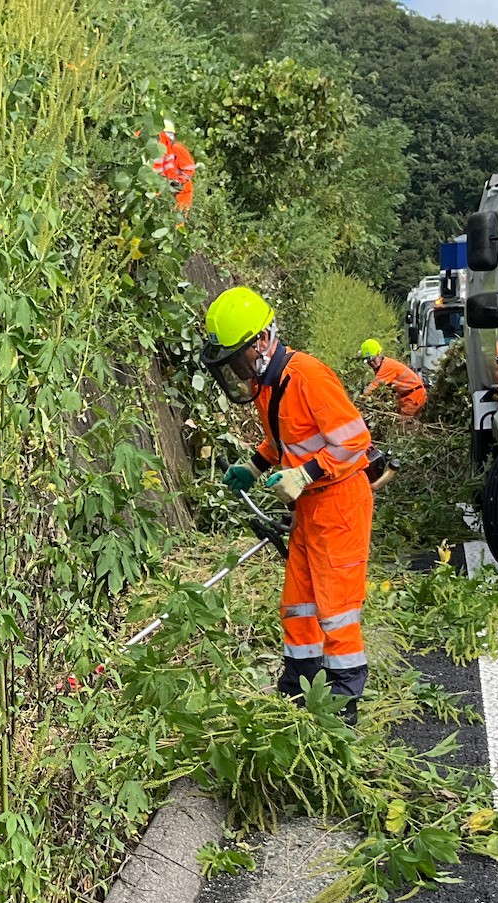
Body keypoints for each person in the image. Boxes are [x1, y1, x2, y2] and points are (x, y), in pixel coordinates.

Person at [202, 287, 373, 723]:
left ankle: (340, 703)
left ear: (262, 340)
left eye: (238, 360)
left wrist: (305, 475)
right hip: (310, 509)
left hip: (340, 504)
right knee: (298, 604)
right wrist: (255, 467)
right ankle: (300, 686)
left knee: (335, 611)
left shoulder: (309, 377)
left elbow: (355, 442)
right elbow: (285, 440)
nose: (238, 372)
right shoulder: (268, 386)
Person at [359, 339, 427, 418]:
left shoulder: (386, 367)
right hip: (409, 395)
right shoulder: (381, 365)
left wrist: (361, 399)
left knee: (403, 423)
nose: (372, 363)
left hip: (414, 396)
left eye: (373, 360)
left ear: (379, 354)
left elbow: (373, 387)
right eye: (369, 361)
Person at [153, 120, 198, 211]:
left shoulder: (176, 148)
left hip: (182, 191)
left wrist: (178, 181)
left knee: (177, 218)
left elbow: (189, 169)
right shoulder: (159, 149)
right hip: (168, 189)